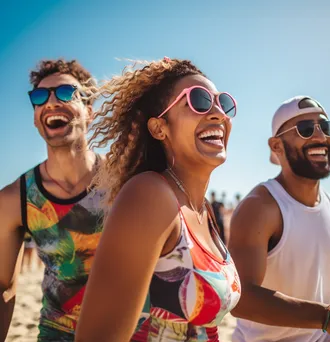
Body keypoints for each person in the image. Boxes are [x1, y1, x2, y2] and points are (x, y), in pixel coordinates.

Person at [75, 57, 241, 342]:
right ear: (159, 128)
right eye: (198, 101)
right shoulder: (149, 195)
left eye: (222, 103)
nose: (218, 114)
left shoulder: (200, 210)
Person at [0, 59, 104, 341]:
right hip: (58, 333)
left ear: (89, 111)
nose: (52, 102)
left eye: (66, 93)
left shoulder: (125, 180)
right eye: (39, 96)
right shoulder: (15, 198)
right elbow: (4, 288)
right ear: (35, 117)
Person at [228, 95, 330, 341]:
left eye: (325, 127)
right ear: (276, 146)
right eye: (305, 129)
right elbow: (239, 297)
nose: (320, 136)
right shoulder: (260, 207)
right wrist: (328, 318)